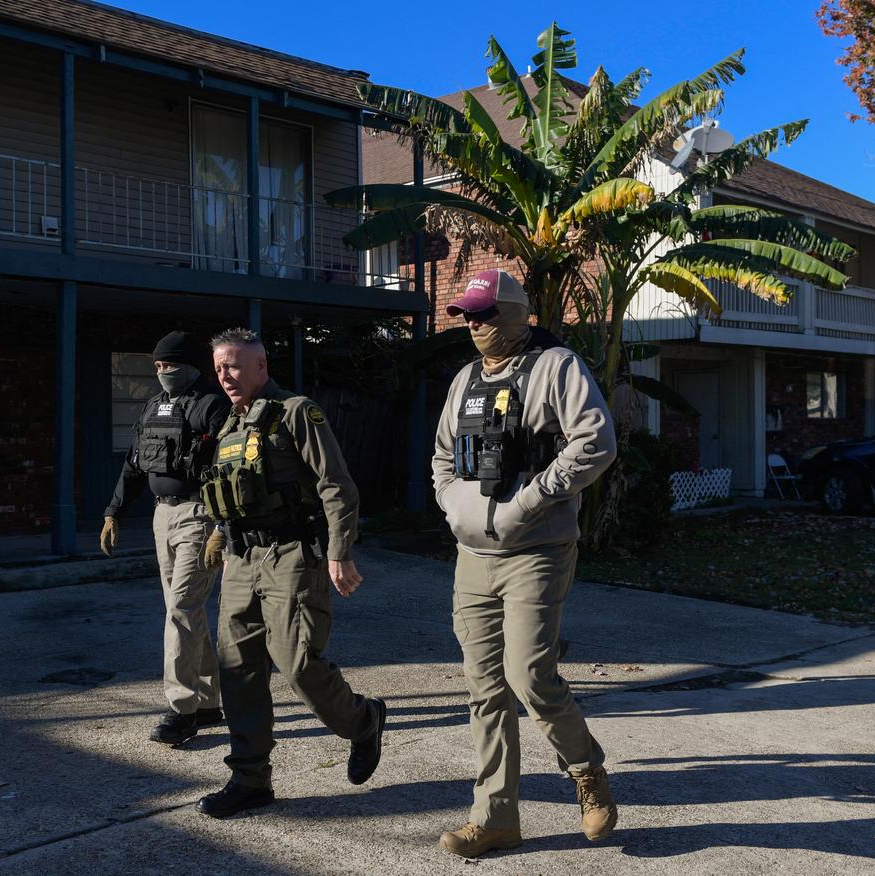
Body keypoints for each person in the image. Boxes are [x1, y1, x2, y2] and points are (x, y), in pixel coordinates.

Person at [431, 269, 619, 858]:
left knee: (530, 675)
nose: (474, 324)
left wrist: (531, 499)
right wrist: (454, 503)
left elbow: (595, 442)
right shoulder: (464, 379)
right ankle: (495, 817)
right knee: (483, 689)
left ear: (515, 313)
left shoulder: (556, 367)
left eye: (485, 314)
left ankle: (585, 770)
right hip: (471, 554)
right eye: (466, 314)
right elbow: (441, 455)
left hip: (537, 550)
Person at [193, 327, 385, 819]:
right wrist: (220, 532)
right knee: (237, 672)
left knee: (299, 663)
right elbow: (230, 488)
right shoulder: (230, 425)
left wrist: (340, 552)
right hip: (241, 559)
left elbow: (337, 486)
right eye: (219, 367)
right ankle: (250, 779)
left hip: (293, 556)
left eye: (234, 365)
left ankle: (363, 721)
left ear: (261, 367)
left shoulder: (296, 412)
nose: (225, 375)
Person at [101, 330, 230, 747]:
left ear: (191, 366)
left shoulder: (213, 406)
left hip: (200, 516)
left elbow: (230, 471)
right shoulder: (154, 406)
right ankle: (209, 702)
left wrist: (221, 526)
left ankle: (181, 710)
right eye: (156, 365)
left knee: (181, 609)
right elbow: (135, 464)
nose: (161, 372)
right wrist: (113, 513)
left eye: (169, 365)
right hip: (163, 517)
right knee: (186, 613)